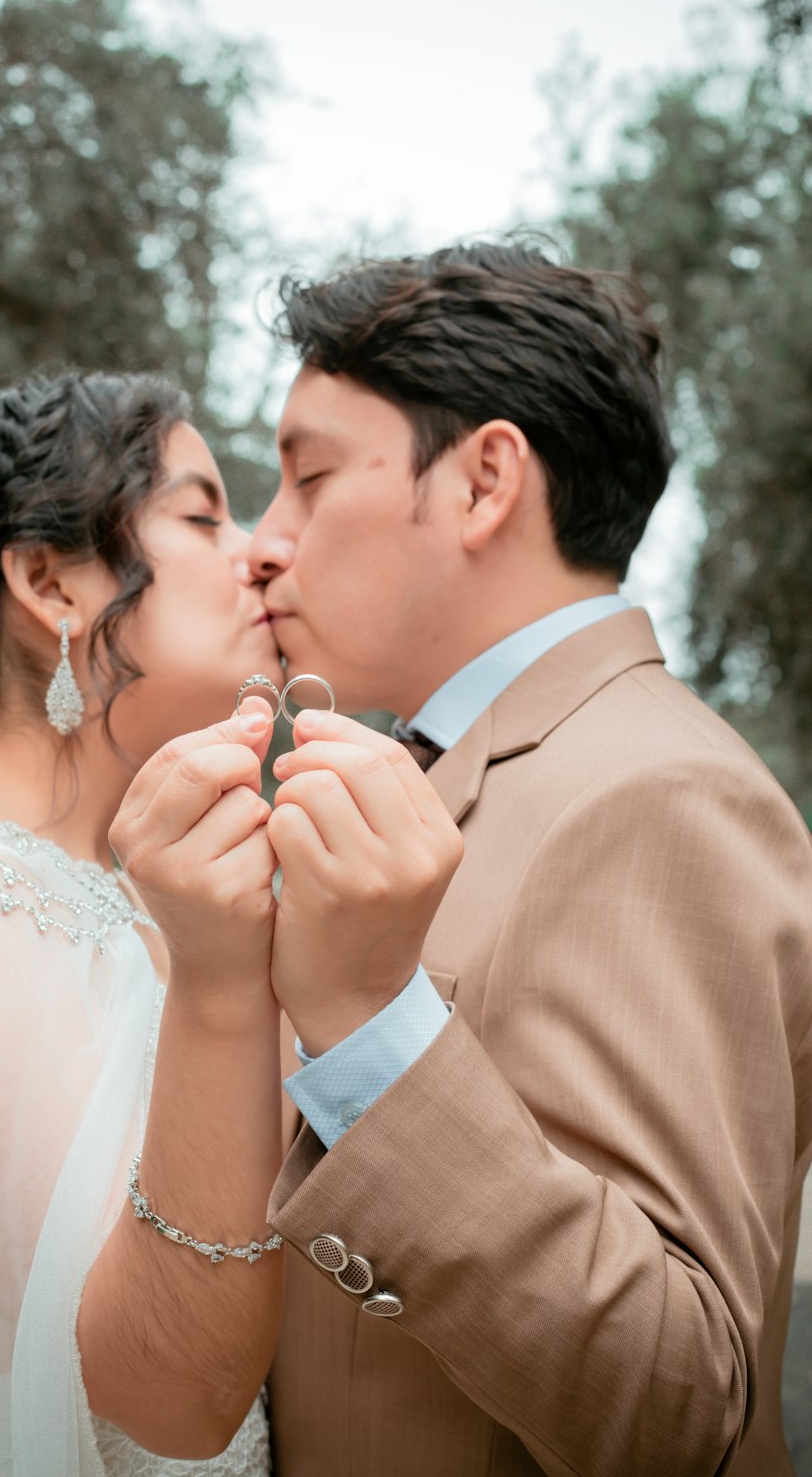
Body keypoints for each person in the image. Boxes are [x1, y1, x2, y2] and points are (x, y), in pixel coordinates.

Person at [246, 243, 812, 1476]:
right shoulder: (450, 774)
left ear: (483, 481)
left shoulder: (661, 793)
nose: (263, 542)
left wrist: (368, 1030)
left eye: (308, 477)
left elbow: (680, 1402)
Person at [0, 369, 295, 1477]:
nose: (259, 551)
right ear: (48, 582)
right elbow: (173, 1399)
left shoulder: (112, 895)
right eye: (201, 512)